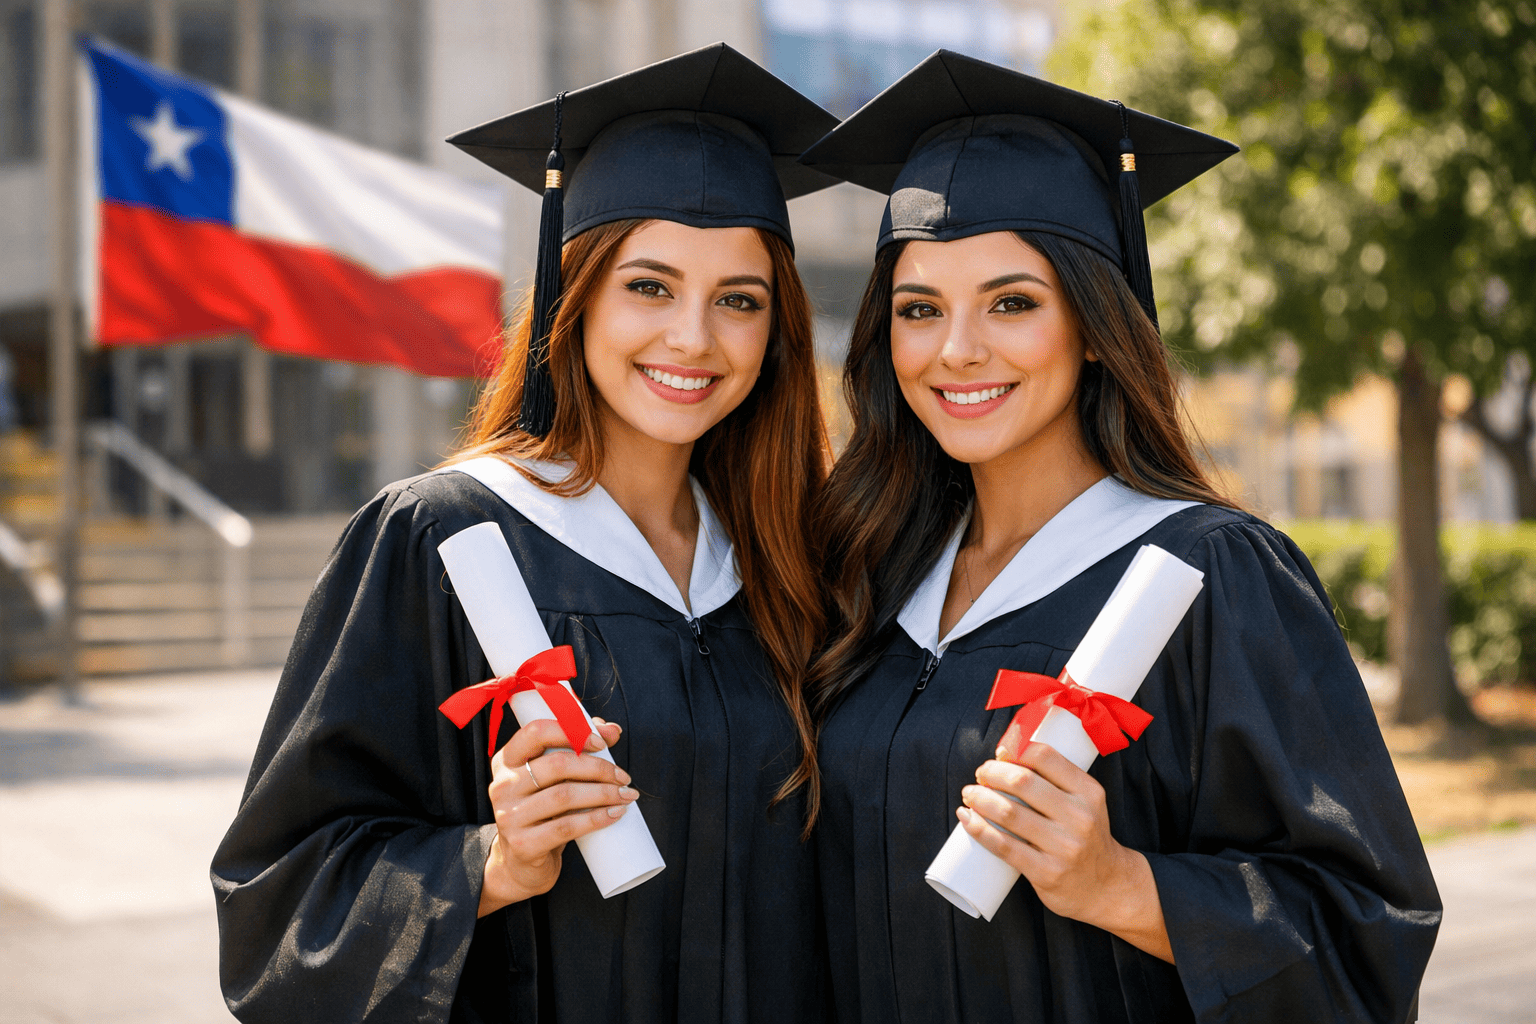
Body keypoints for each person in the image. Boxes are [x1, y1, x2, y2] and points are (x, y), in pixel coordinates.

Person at [799, 50, 1440, 1024]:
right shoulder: (867, 579)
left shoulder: (1213, 575)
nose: (958, 348)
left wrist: (1121, 883)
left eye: (1013, 302)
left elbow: (1367, 927)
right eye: (919, 309)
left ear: (1094, 326)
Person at [212, 44, 838, 1023]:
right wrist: (493, 861)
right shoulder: (438, 539)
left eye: (740, 300)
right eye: (649, 286)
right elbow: (279, 897)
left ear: (777, 330)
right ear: (574, 298)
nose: (694, 338)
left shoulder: (793, 563)